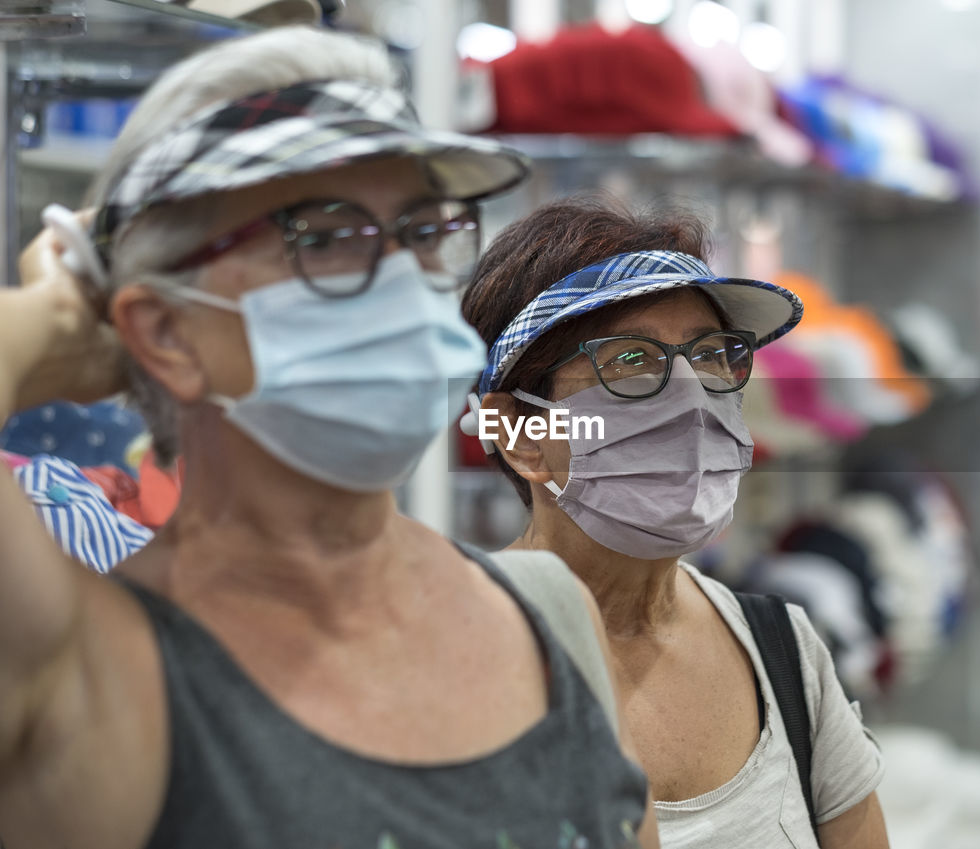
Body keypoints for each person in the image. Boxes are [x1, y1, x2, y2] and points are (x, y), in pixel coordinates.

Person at [0, 28, 658, 849]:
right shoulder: (92, 667)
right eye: (324, 237)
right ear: (165, 330)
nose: (403, 280)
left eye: (423, 230)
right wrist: (56, 317)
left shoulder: (547, 611)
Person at [460, 195, 890, 849]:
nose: (693, 397)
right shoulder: (446, 661)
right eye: (631, 361)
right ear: (520, 433)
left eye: (714, 355)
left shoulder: (783, 651)